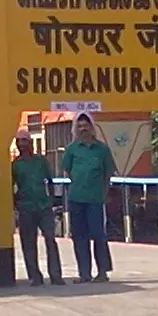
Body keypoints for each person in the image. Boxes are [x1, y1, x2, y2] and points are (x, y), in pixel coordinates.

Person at [59, 112, 116, 283]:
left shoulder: (102, 149)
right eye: (80, 126)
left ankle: (102, 272)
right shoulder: (71, 149)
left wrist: (102, 193)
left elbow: (108, 174)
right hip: (76, 198)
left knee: (98, 235)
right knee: (79, 236)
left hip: (95, 200)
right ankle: (84, 273)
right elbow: (67, 170)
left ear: (92, 128)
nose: (83, 129)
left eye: (86, 126)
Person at [9, 129, 64, 286]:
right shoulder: (15, 165)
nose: (21, 144)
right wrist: (16, 205)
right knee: (28, 242)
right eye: (18, 141)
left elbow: (50, 181)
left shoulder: (41, 161)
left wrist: (51, 200)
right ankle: (34, 276)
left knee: (50, 239)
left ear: (30, 143)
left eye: (24, 141)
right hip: (26, 207)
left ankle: (55, 275)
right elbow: (11, 186)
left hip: (43, 205)